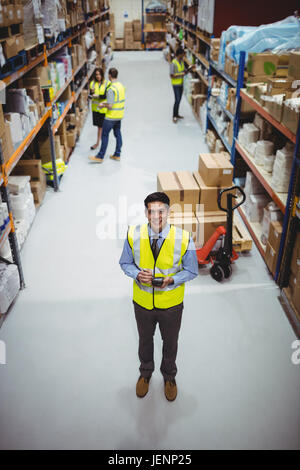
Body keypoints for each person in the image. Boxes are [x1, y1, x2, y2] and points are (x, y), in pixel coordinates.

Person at [119, 192, 198, 402]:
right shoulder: (133, 234)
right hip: (143, 303)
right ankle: (145, 373)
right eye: (152, 211)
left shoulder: (184, 237)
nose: (157, 216)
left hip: (171, 305)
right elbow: (124, 263)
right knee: (145, 340)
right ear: (146, 213)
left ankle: (169, 376)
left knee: (170, 342)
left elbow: (192, 270)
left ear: (168, 212)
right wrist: (137, 274)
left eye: (161, 211)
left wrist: (170, 280)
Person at [89, 67, 125, 163]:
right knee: (118, 134)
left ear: (109, 75)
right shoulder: (120, 86)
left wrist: (102, 105)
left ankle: (100, 156)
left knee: (104, 135)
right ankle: (117, 154)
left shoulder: (111, 89)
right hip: (119, 115)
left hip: (111, 116)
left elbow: (110, 105)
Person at [170, 47, 194, 123]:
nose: (183, 56)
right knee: (177, 100)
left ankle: (177, 114)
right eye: (183, 54)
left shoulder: (181, 62)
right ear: (179, 54)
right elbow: (171, 75)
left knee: (179, 99)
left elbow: (184, 71)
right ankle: (174, 116)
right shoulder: (173, 63)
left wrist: (189, 69)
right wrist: (181, 74)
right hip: (176, 85)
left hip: (181, 84)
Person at [89, 67, 111, 150]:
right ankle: (99, 143)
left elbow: (105, 96)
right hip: (95, 109)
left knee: (101, 128)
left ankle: (99, 143)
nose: (97, 76)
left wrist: (97, 96)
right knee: (99, 127)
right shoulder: (92, 84)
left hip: (103, 109)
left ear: (102, 74)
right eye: (96, 75)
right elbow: (91, 94)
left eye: (99, 74)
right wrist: (90, 95)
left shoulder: (107, 83)